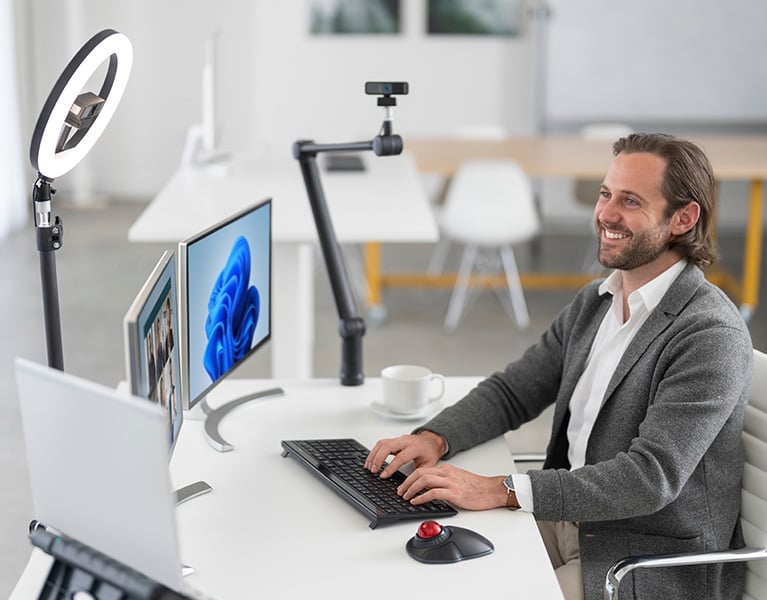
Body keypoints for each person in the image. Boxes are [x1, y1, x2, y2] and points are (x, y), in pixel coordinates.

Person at [365, 133, 753, 600]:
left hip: (638, 559)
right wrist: (432, 439)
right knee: (418, 564)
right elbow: (515, 391)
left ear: (683, 218)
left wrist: (503, 489)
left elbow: (650, 478)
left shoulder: (708, 334)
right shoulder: (598, 301)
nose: (606, 213)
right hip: (566, 520)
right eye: (605, 194)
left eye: (630, 201)